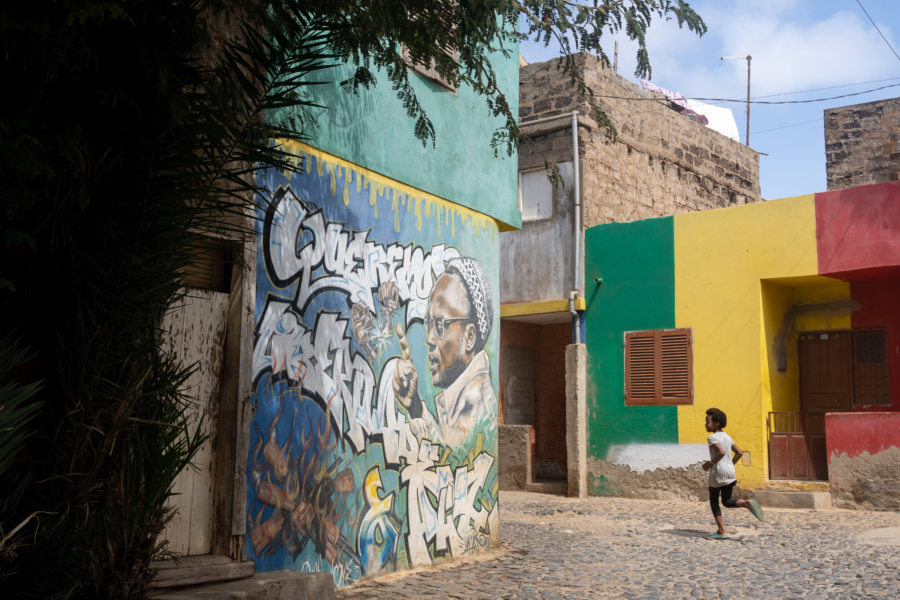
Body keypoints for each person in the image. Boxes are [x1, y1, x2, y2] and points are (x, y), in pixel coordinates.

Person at [392, 257, 496, 448]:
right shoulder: (464, 401)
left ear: (470, 337)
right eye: (429, 323)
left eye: (440, 324)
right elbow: (448, 457)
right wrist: (415, 405)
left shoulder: (475, 405)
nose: (429, 339)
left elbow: (452, 466)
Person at [702, 407, 765, 539]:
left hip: (717, 471)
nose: (705, 425)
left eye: (708, 422)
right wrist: (730, 464)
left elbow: (721, 452)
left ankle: (721, 531)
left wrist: (710, 464)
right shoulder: (727, 436)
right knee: (727, 500)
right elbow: (739, 452)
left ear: (716, 423)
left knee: (714, 501)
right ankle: (746, 503)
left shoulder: (712, 437)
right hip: (729, 471)